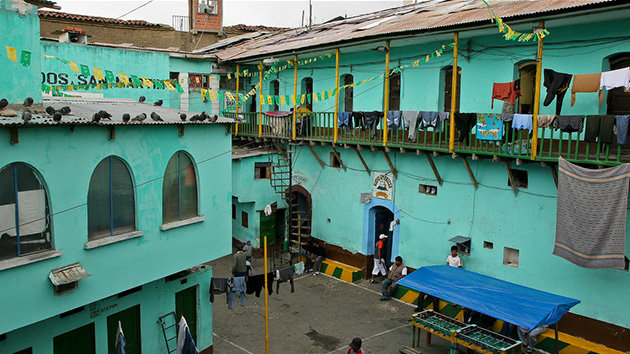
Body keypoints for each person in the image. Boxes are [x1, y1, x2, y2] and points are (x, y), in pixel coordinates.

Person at [228, 244, 247, 309]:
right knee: (243, 284)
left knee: (234, 285)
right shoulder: (244, 254)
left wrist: (233, 271)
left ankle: (232, 303)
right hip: (244, 271)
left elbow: (235, 265)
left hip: (237, 272)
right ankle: (242, 301)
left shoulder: (236, 255)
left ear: (237, 249)